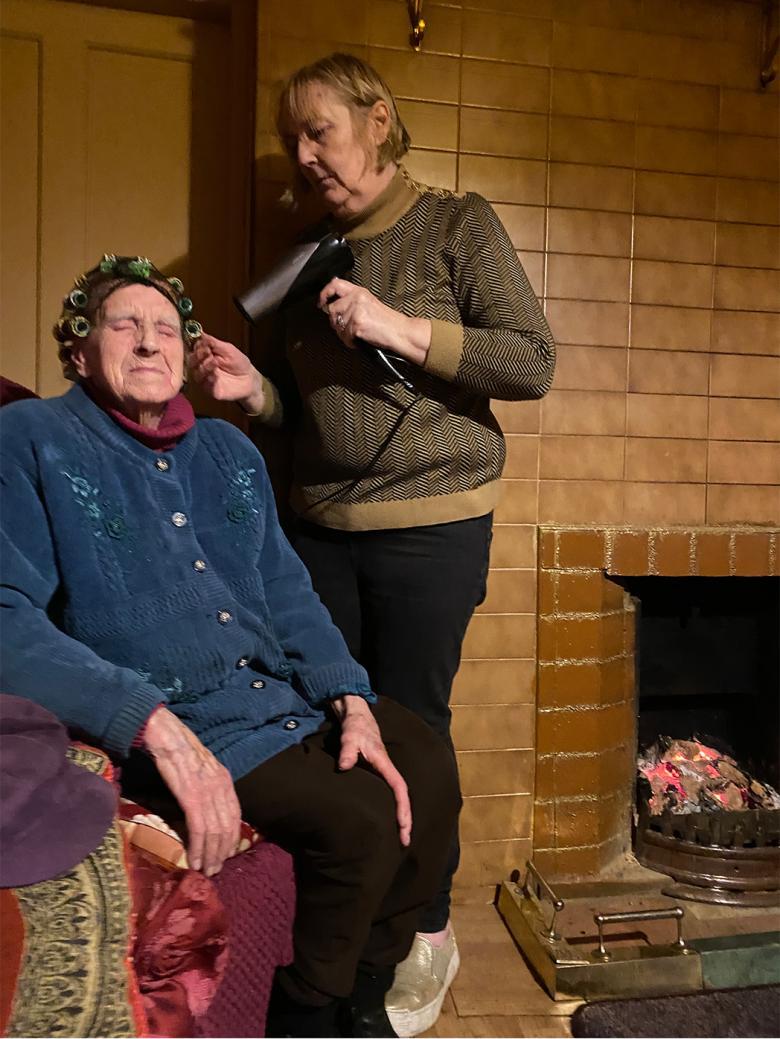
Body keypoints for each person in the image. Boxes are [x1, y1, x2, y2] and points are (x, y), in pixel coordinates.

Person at [0, 255, 460, 1039]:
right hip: (181, 714)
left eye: (166, 329)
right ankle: (309, 1011)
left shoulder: (228, 451)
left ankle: (365, 990)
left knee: (428, 765)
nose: (149, 343)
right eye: (124, 326)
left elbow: (285, 590)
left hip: (281, 695)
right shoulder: (31, 436)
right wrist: (147, 719)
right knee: (358, 821)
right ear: (79, 351)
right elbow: (6, 613)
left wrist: (349, 695)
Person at [191, 52, 556, 1035]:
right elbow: (296, 412)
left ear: (379, 119)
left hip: (433, 527)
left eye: (320, 129)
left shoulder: (456, 223)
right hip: (321, 531)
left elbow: (531, 361)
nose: (304, 154)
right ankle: (353, 934)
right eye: (291, 140)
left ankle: (426, 928)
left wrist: (397, 322)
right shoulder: (304, 254)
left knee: (414, 727)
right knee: (335, 731)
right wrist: (250, 392)